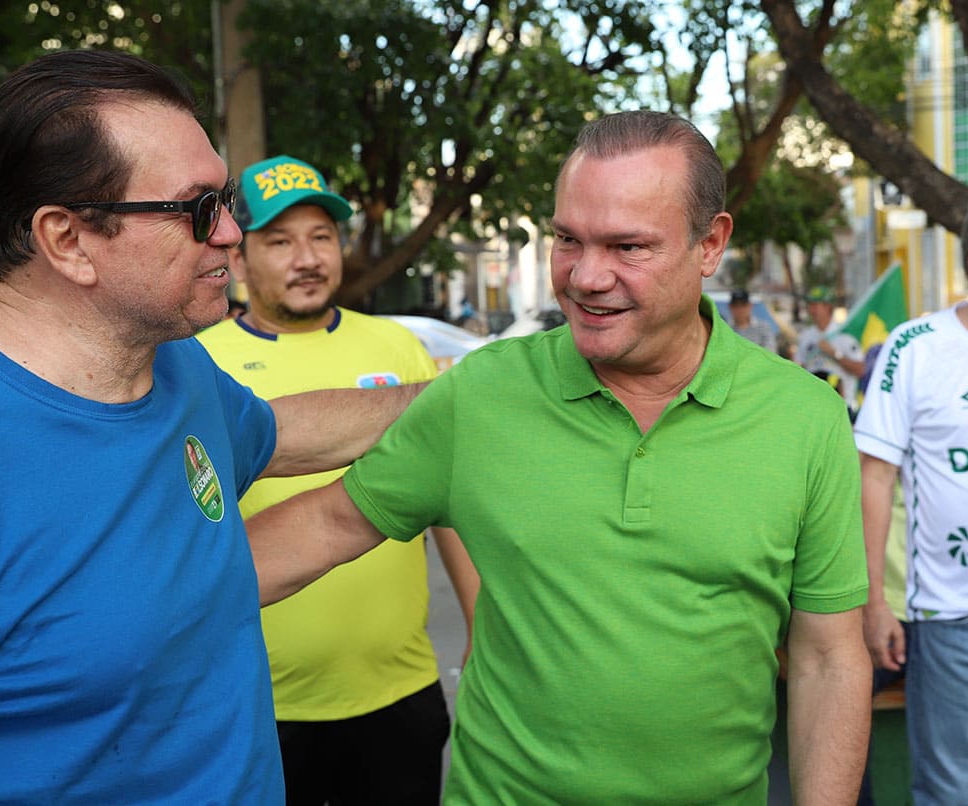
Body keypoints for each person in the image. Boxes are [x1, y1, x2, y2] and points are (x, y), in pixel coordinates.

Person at [0, 50, 422, 805]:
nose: (232, 235)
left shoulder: (171, 364)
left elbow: (277, 436)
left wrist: (459, 400)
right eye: (199, 208)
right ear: (68, 239)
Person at [248, 110, 871, 803]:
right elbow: (328, 526)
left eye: (627, 246)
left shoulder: (804, 418)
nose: (586, 277)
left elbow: (827, 656)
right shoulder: (484, 392)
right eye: (567, 240)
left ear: (711, 243)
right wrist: (136, 601)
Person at [195, 154, 478, 805]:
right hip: (252, 702)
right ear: (238, 260)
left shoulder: (398, 350)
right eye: (280, 241)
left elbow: (447, 504)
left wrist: (480, 628)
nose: (307, 257)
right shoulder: (197, 362)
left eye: (322, 236)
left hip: (398, 696)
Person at [855, 183, 968, 806]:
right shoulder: (914, 349)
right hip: (954, 627)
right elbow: (873, 477)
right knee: (950, 795)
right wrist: (875, 602)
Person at [795, 284, 865, 412]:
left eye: (815, 305)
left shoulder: (844, 335)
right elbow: (800, 367)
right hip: (814, 406)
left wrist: (834, 353)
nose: (811, 310)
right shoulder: (806, 336)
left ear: (828, 307)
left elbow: (860, 370)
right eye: (810, 305)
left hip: (842, 406)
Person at [726, 287, 778, 352]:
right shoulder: (725, 328)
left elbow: (771, 352)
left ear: (750, 305)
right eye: (736, 305)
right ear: (730, 307)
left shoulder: (763, 327)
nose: (740, 309)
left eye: (743, 305)